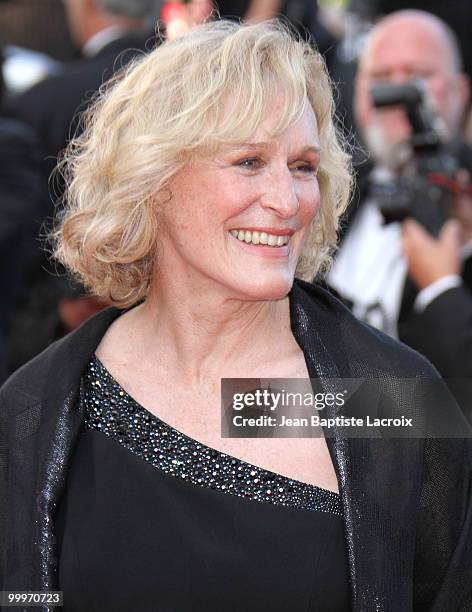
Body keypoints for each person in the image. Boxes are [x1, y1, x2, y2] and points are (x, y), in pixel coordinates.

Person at [1, 20, 471, 611]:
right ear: (155, 179)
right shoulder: (38, 407)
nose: (286, 200)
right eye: (248, 161)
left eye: (302, 166)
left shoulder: (386, 398)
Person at [328, 10, 472, 379]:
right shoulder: (322, 192)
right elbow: (253, 410)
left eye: (418, 76)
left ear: (461, 91)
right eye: (381, 78)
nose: (398, 93)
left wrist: (442, 289)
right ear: (358, 92)